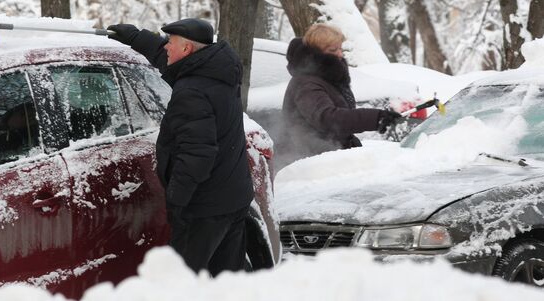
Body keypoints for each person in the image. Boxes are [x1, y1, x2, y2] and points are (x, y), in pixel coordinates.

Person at [107, 19, 253, 276]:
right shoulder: (218, 70)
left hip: (204, 209)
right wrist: (135, 37)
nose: (165, 47)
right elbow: (166, 58)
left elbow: (197, 154)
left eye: (171, 43)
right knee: (225, 283)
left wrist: (177, 203)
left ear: (186, 49)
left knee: (181, 283)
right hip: (233, 198)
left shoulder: (192, 91)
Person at [278, 23, 401, 167]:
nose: (340, 54)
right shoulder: (306, 83)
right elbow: (327, 118)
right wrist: (376, 118)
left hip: (328, 154)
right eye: (333, 50)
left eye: (340, 48)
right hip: (308, 162)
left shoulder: (326, 77)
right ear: (317, 53)